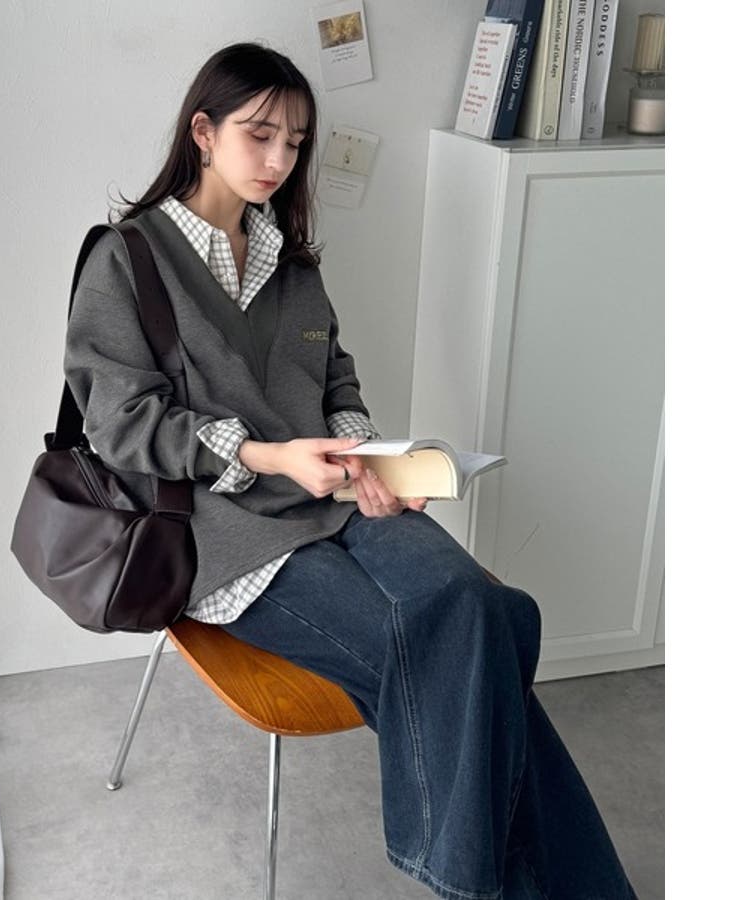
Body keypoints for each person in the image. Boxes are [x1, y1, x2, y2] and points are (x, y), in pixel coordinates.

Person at [64, 41, 639, 900]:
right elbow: (118, 423)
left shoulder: (292, 262)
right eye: (260, 135)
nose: (278, 160)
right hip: (227, 536)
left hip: (339, 501)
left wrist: (365, 455)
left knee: (482, 610)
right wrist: (265, 455)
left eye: (295, 143)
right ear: (204, 132)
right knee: (464, 651)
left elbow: (335, 379)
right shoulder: (127, 259)